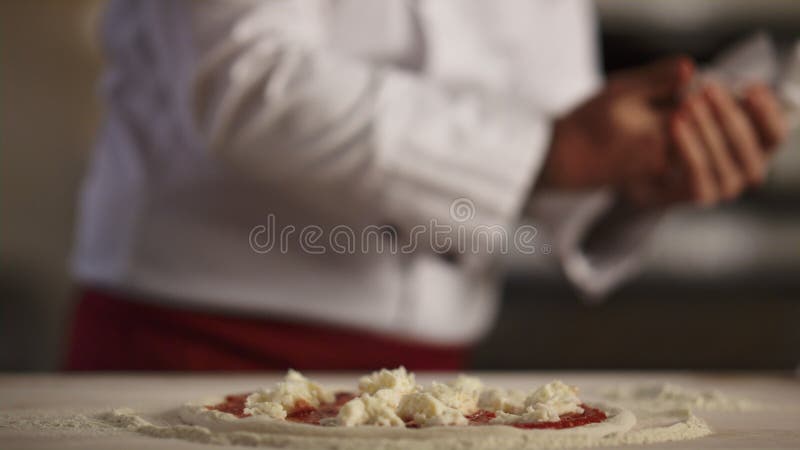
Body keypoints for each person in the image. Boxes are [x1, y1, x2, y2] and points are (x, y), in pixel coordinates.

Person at [66, 0, 787, 371]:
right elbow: (242, 80)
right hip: (195, 340)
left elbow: (555, 114)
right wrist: (549, 150)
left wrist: (635, 168)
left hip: (437, 375)